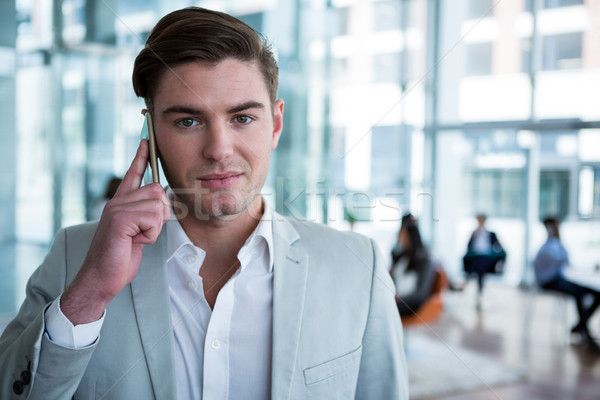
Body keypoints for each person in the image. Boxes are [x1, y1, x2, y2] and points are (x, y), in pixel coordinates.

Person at [0, 7, 408, 399]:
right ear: (151, 132)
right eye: (187, 121)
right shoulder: (76, 256)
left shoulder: (358, 266)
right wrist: (88, 296)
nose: (218, 148)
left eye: (242, 118)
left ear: (276, 124)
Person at [534, 217, 600, 344]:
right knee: (579, 294)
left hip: (559, 279)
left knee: (596, 293)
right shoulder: (546, 247)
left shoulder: (556, 243)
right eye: (555, 225)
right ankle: (583, 329)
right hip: (549, 282)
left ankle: (581, 325)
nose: (558, 228)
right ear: (549, 228)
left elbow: (566, 260)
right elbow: (562, 260)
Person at [390, 213, 436, 317]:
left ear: (411, 237)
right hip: (395, 300)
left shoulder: (424, 261)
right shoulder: (402, 258)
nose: (400, 238)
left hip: (409, 303)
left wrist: (397, 300)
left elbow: (420, 295)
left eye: (403, 235)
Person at [462, 213, 506, 309]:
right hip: (475, 259)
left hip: (487, 260)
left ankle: (466, 282)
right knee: (479, 262)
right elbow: (468, 248)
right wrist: (473, 236)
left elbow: (500, 248)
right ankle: (476, 291)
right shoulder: (474, 234)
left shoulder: (491, 234)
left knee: (481, 263)